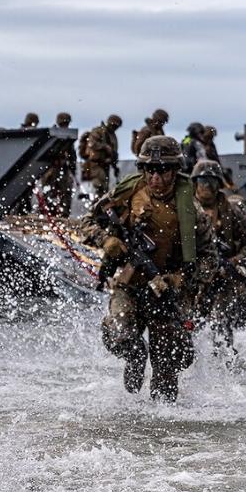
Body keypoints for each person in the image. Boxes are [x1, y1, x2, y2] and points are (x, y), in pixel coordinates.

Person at [81, 136, 217, 401]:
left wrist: (181, 278)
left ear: (175, 170)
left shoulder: (192, 210)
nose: (155, 177)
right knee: (119, 334)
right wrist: (106, 240)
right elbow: (87, 222)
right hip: (130, 283)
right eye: (149, 170)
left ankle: (161, 432)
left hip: (168, 293)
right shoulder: (127, 193)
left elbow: (210, 259)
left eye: (163, 170)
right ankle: (135, 356)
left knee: (168, 367)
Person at [190, 160, 246, 351]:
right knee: (190, 323)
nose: (207, 186)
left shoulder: (231, 212)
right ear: (195, 183)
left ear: (219, 184)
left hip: (223, 277)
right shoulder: (187, 210)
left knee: (221, 324)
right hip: (194, 276)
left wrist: (233, 262)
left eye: (212, 181)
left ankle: (226, 366)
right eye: (203, 181)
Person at [79, 114, 122, 199]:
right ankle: (95, 206)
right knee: (98, 188)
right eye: (113, 125)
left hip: (105, 166)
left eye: (116, 126)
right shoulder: (99, 131)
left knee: (104, 190)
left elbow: (113, 152)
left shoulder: (112, 135)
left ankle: (100, 207)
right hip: (95, 165)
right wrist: (104, 147)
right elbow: (92, 143)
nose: (114, 127)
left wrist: (114, 165)